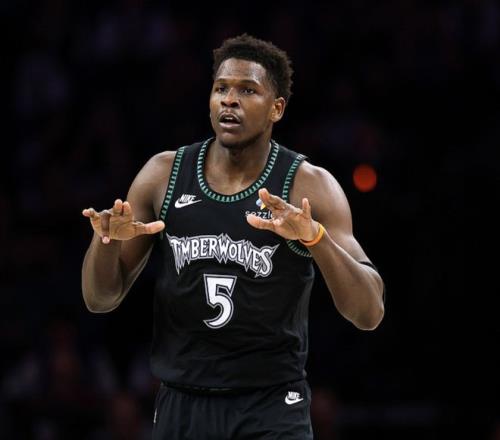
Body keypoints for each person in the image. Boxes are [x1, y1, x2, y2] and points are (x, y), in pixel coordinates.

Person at [81, 34, 385, 440]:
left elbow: (368, 312)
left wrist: (316, 238)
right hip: (182, 402)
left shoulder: (307, 186)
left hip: (271, 405)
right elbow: (99, 299)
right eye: (221, 88)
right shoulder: (163, 174)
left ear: (277, 108)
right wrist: (105, 243)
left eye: (247, 90)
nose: (229, 100)